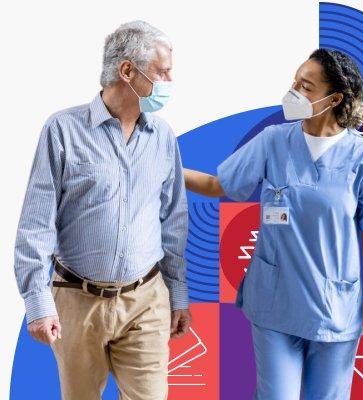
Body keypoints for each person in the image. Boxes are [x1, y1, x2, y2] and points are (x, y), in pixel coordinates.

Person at [183, 48, 363, 399]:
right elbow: (217, 185)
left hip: (335, 310)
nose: (294, 93)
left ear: (333, 99)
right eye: (294, 82)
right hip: (274, 304)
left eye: (306, 86)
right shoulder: (273, 141)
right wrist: (164, 166)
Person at [14, 20, 192, 400]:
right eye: (162, 71)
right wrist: (37, 303)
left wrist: (178, 294)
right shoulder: (62, 130)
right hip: (76, 303)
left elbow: (174, 221)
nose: (170, 80)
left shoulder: (163, 137)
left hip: (146, 299)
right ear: (127, 71)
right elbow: (36, 224)